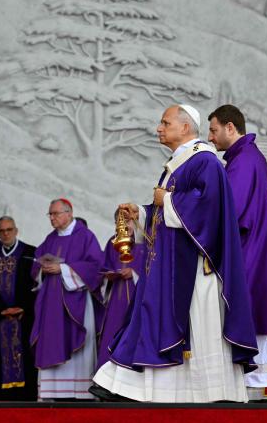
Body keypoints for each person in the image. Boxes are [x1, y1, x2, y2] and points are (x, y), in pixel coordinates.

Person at [91, 104, 258, 403]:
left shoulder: (204, 161)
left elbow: (209, 209)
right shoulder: (180, 163)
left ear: (185, 127)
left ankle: (203, 394)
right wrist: (141, 213)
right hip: (168, 266)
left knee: (179, 327)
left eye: (165, 123)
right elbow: (167, 215)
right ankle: (126, 386)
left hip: (193, 270)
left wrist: (167, 199)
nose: (159, 128)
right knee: (148, 319)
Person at [207, 104, 267, 397]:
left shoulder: (244, 160)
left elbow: (230, 209)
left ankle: (263, 386)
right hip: (257, 248)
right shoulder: (244, 157)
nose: (211, 137)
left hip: (252, 251)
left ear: (230, 128)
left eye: (214, 129)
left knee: (254, 311)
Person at [30, 199, 104, 400]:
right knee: (51, 340)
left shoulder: (86, 236)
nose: (52, 218)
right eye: (50, 215)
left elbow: (96, 267)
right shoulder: (50, 239)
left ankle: (81, 393)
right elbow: (36, 264)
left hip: (76, 302)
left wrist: (62, 269)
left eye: (55, 214)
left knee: (78, 343)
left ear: (69, 213)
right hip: (51, 303)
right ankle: (51, 392)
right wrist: (41, 268)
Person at [0, 216, 38, 400]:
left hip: (24, 319)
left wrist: (23, 307)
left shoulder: (30, 253)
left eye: (9, 230)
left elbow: (37, 285)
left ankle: (26, 400)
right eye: (2, 231)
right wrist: (1, 310)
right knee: (0, 361)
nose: (6, 234)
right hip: (1, 319)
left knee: (25, 360)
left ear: (16, 230)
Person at [96, 210, 146, 370]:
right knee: (111, 335)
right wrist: (108, 277)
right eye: (119, 222)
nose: (124, 226)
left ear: (137, 221)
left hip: (137, 299)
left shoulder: (146, 241)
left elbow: (155, 270)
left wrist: (134, 273)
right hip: (114, 302)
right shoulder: (113, 242)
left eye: (128, 222)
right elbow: (103, 268)